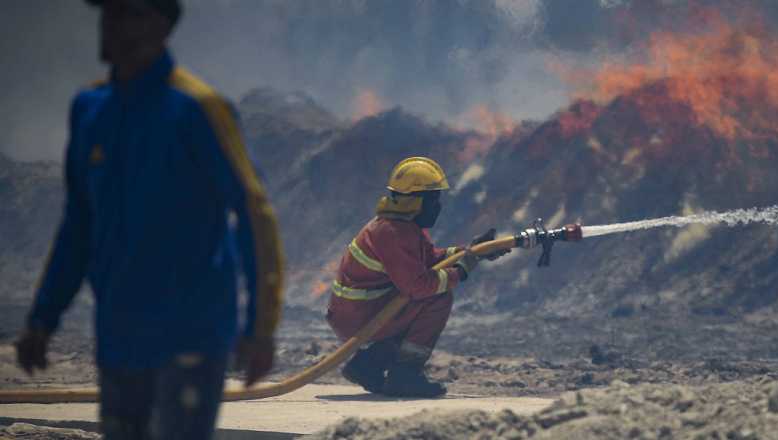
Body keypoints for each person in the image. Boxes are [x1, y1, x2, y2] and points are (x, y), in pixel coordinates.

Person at [13, 0, 286, 438]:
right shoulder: (90, 109)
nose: (114, 26)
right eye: (110, 14)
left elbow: (255, 216)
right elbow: (78, 226)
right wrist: (43, 318)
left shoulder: (198, 109)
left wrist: (260, 328)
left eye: (130, 14)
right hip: (119, 337)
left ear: (162, 25)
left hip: (191, 335)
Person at [327, 157, 507, 398]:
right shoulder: (391, 233)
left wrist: (471, 250)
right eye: (432, 200)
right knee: (435, 298)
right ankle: (405, 375)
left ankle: (368, 365)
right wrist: (462, 270)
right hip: (360, 316)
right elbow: (419, 285)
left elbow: (431, 258)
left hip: (363, 310)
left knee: (415, 302)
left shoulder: (402, 227)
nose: (437, 206)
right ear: (414, 201)